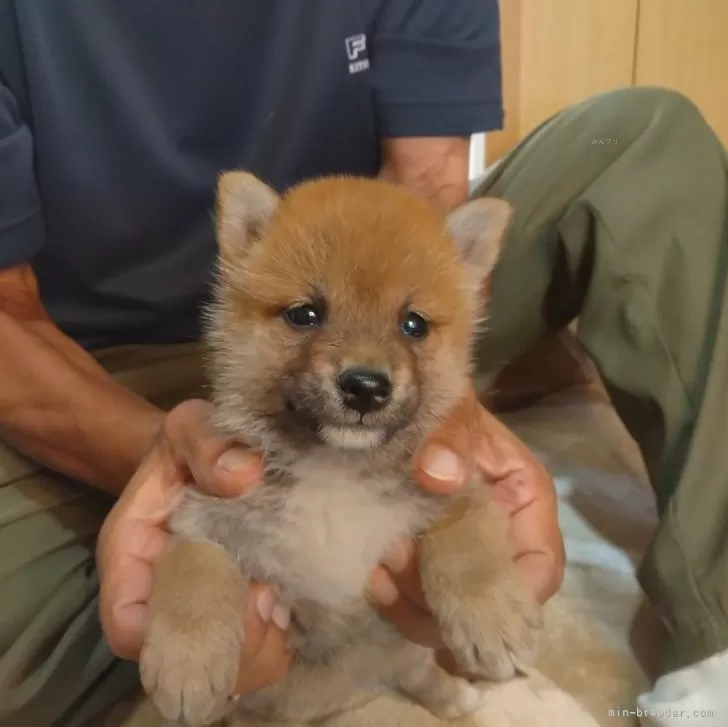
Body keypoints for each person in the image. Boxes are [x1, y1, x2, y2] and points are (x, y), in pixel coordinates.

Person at [0, 2, 725, 726]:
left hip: (378, 290)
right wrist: (169, 460)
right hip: (83, 355)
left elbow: (427, 185)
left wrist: (441, 391)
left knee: (645, 141)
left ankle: (719, 639)